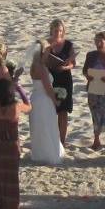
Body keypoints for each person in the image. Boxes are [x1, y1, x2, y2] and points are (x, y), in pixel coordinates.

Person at [0, 79, 32, 209]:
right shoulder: (16, 106)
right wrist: (20, 89)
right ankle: (10, 206)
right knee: (10, 176)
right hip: (11, 145)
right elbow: (29, 106)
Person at [28, 35, 65, 165]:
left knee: (39, 127)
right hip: (44, 100)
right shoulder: (42, 68)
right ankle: (48, 154)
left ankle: (39, 153)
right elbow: (48, 88)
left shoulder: (34, 66)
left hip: (35, 98)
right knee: (47, 127)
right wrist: (56, 101)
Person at [44, 19, 76, 146]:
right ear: (51, 30)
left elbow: (73, 64)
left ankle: (62, 141)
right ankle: (51, 138)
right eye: (56, 30)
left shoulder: (68, 44)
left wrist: (65, 67)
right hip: (50, 78)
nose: (58, 33)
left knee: (63, 111)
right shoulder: (46, 44)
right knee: (51, 109)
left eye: (60, 30)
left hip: (65, 78)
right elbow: (41, 61)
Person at [82, 32, 105, 151]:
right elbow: (85, 70)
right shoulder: (91, 55)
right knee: (95, 115)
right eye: (96, 41)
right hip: (94, 88)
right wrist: (88, 76)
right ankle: (96, 139)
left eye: (100, 41)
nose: (98, 44)